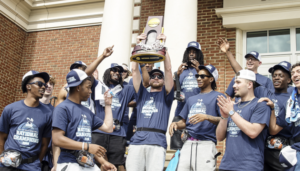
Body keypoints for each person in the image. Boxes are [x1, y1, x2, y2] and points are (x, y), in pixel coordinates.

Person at [85, 46, 147, 170]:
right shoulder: (97, 86)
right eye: (113, 70)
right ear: (107, 72)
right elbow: (86, 73)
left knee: (117, 164)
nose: (117, 73)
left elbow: (143, 84)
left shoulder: (126, 89)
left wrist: (140, 60)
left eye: (119, 71)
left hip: (117, 133)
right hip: (99, 131)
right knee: (96, 164)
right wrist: (103, 56)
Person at [126, 34, 174, 171]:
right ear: (150, 79)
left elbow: (169, 70)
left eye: (160, 76)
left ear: (163, 81)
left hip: (157, 142)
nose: (156, 77)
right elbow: (135, 71)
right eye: (153, 76)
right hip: (137, 141)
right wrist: (138, 46)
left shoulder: (166, 96)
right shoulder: (142, 94)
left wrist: (163, 47)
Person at [52, 69, 116, 171]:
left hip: (88, 163)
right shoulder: (62, 108)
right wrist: (86, 146)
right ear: (78, 87)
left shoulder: (87, 111)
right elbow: (57, 139)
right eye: (88, 87)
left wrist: (108, 104)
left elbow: (108, 128)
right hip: (70, 164)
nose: (90, 91)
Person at [169, 64, 224, 171]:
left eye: (202, 76)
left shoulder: (219, 97)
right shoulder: (191, 99)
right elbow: (185, 122)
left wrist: (207, 117)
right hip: (188, 143)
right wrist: (176, 124)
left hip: (206, 143)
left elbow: (225, 120)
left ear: (211, 79)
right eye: (197, 76)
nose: (198, 78)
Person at [216, 70, 271, 171]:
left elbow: (253, 132)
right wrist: (224, 116)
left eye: (238, 82)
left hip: (249, 166)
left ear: (249, 84)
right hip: (226, 165)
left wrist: (231, 113)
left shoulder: (260, 105)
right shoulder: (232, 107)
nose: (233, 86)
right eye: (234, 82)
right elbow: (219, 137)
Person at [0, 70, 52, 171]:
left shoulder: (48, 114)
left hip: (31, 167)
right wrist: (2, 158)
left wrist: (36, 162)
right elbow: (1, 137)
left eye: (44, 85)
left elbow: (45, 144)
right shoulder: (10, 109)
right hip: (7, 165)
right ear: (28, 86)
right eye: (39, 84)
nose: (43, 87)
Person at [260, 62, 300, 170]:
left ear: (289, 80)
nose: (276, 78)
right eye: (274, 75)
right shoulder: (267, 94)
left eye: (281, 75)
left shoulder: (292, 96)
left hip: (287, 146)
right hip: (266, 147)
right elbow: (247, 79)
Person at [171, 41, 204, 150]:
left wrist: (199, 70)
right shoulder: (181, 71)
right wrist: (177, 75)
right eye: (189, 52)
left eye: (194, 52)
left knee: (196, 147)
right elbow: (173, 91)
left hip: (197, 113)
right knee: (178, 148)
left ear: (198, 54)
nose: (191, 54)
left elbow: (209, 89)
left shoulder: (205, 71)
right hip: (181, 113)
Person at [39, 76, 56, 171]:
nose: (49, 86)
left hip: (46, 157)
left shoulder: (55, 112)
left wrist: (55, 161)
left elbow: (55, 138)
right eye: (46, 84)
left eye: (51, 84)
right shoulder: (32, 106)